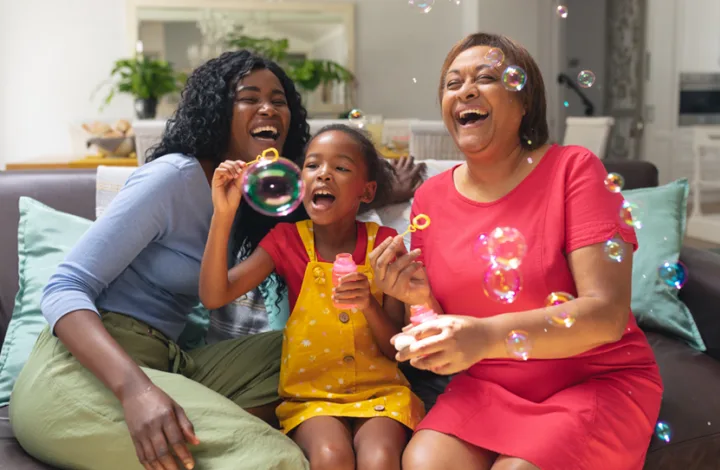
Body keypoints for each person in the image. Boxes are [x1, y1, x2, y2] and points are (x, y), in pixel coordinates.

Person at [10, 50, 423, 470]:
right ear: (216, 110)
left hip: (169, 360)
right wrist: (136, 391)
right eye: (249, 97)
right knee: (274, 460)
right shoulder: (173, 177)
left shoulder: (253, 193)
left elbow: (327, 210)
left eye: (279, 100)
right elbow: (64, 287)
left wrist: (387, 191)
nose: (268, 108)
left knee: (321, 345)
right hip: (83, 366)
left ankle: (364, 418)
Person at [369, 33, 663, 470]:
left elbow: (606, 315)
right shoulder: (430, 197)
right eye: (453, 84)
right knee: (422, 463)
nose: (465, 90)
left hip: (590, 380)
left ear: (524, 103)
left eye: (486, 77)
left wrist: (485, 337)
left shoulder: (574, 170)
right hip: (488, 384)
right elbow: (437, 317)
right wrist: (416, 300)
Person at [200, 124, 425, 470]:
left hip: (381, 392)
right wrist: (223, 213)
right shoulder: (285, 240)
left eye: (341, 167)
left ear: (367, 192)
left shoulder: (386, 243)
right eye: (313, 165)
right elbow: (215, 295)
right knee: (331, 457)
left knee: (379, 459)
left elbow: (395, 351)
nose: (324, 175)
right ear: (299, 182)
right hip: (311, 397)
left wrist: (368, 306)